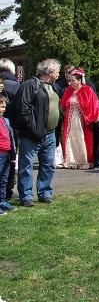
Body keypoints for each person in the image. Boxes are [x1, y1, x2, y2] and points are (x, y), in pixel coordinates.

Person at [12, 58, 61, 206]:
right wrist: (32, 128)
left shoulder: (55, 87)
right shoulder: (30, 85)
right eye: (58, 71)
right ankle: (26, 196)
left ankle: (45, 193)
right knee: (26, 166)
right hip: (31, 135)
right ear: (50, 71)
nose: (59, 74)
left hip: (50, 133)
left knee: (49, 165)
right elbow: (22, 109)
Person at [60, 68, 99, 169]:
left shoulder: (87, 90)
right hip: (70, 119)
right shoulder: (68, 90)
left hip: (82, 119)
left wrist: (96, 115)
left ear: (79, 80)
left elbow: (94, 103)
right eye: (70, 80)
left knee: (83, 138)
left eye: (73, 80)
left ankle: (83, 160)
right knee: (70, 138)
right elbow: (63, 104)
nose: (71, 83)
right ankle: (71, 160)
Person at [0, 60, 19, 201]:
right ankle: (6, 193)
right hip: (5, 139)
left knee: (5, 171)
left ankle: (4, 196)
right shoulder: (15, 86)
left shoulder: (6, 91)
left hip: (7, 135)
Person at [0, 95, 17, 214]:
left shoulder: (5, 120)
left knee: (3, 179)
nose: (3, 109)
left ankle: (2, 200)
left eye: (4, 107)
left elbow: (11, 138)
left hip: (7, 153)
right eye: (1, 107)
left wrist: (13, 154)